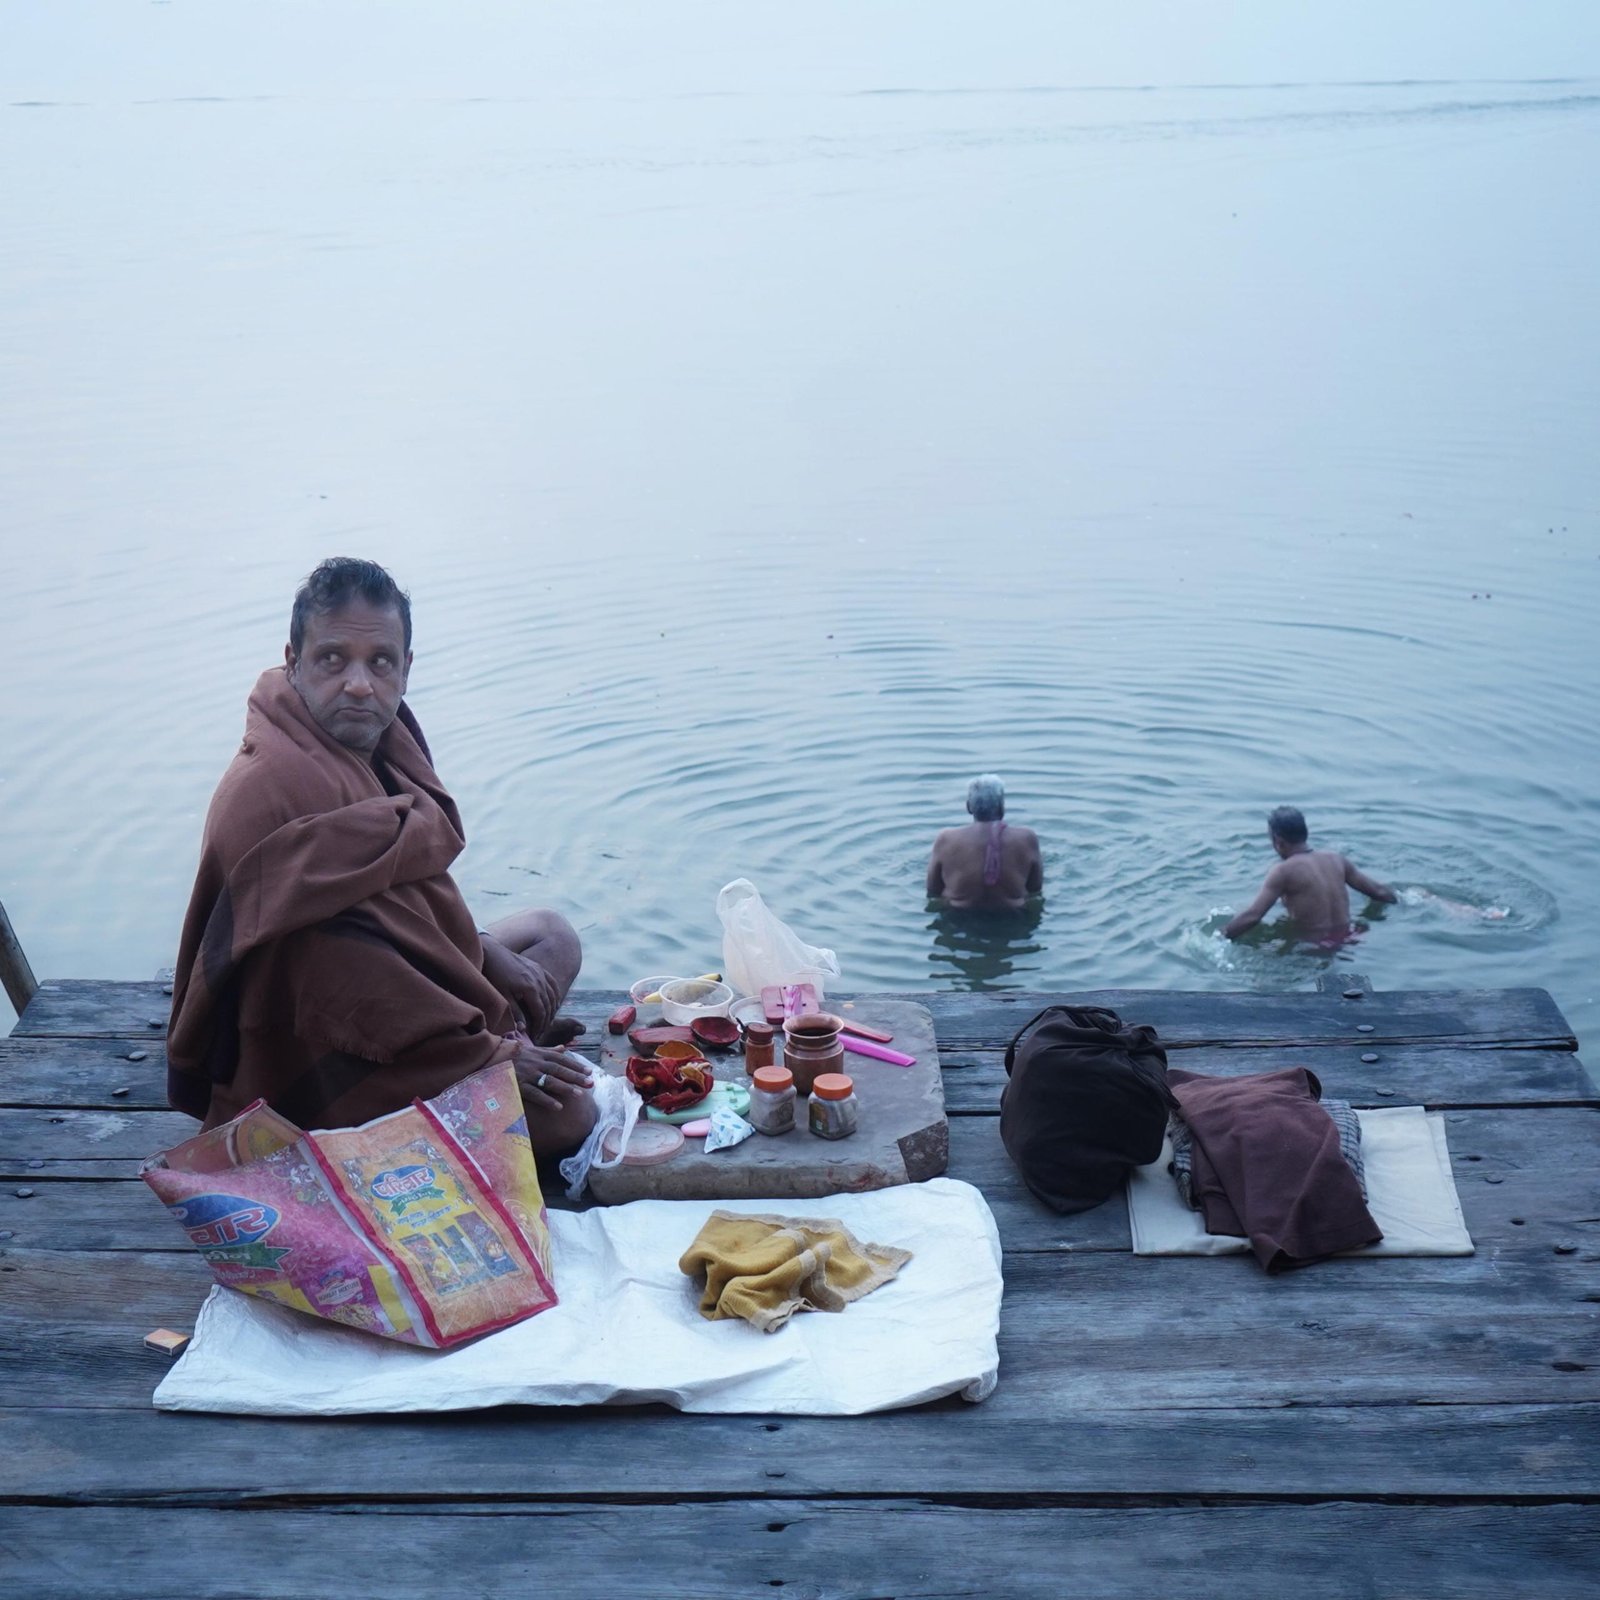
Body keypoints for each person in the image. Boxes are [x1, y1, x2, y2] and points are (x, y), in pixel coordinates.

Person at [166, 557, 596, 1156]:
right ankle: (483, 1052)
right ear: (294, 662)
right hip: (311, 1042)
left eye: (381, 662)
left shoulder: (384, 744)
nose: (360, 684)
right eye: (333, 659)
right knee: (571, 1117)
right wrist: (486, 1058)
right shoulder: (267, 790)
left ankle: (497, 1035)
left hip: (396, 992)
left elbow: (404, 914)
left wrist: (484, 952)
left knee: (551, 934)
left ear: (406, 668)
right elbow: (334, 969)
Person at [1224, 806, 1397, 944]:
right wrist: (1407, 899)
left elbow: (1254, 915)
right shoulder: (1336, 859)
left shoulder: (1282, 871)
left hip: (1314, 945)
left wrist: (1219, 938)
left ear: (1279, 842)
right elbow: (1380, 893)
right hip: (1350, 938)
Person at [926, 775, 1043, 911]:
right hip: (1011, 915)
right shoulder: (1027, 838)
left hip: (959, 915)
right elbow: (1035, 889)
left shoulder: (946, 839)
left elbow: (933, 890)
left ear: (969, 807)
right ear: (1002, 807)